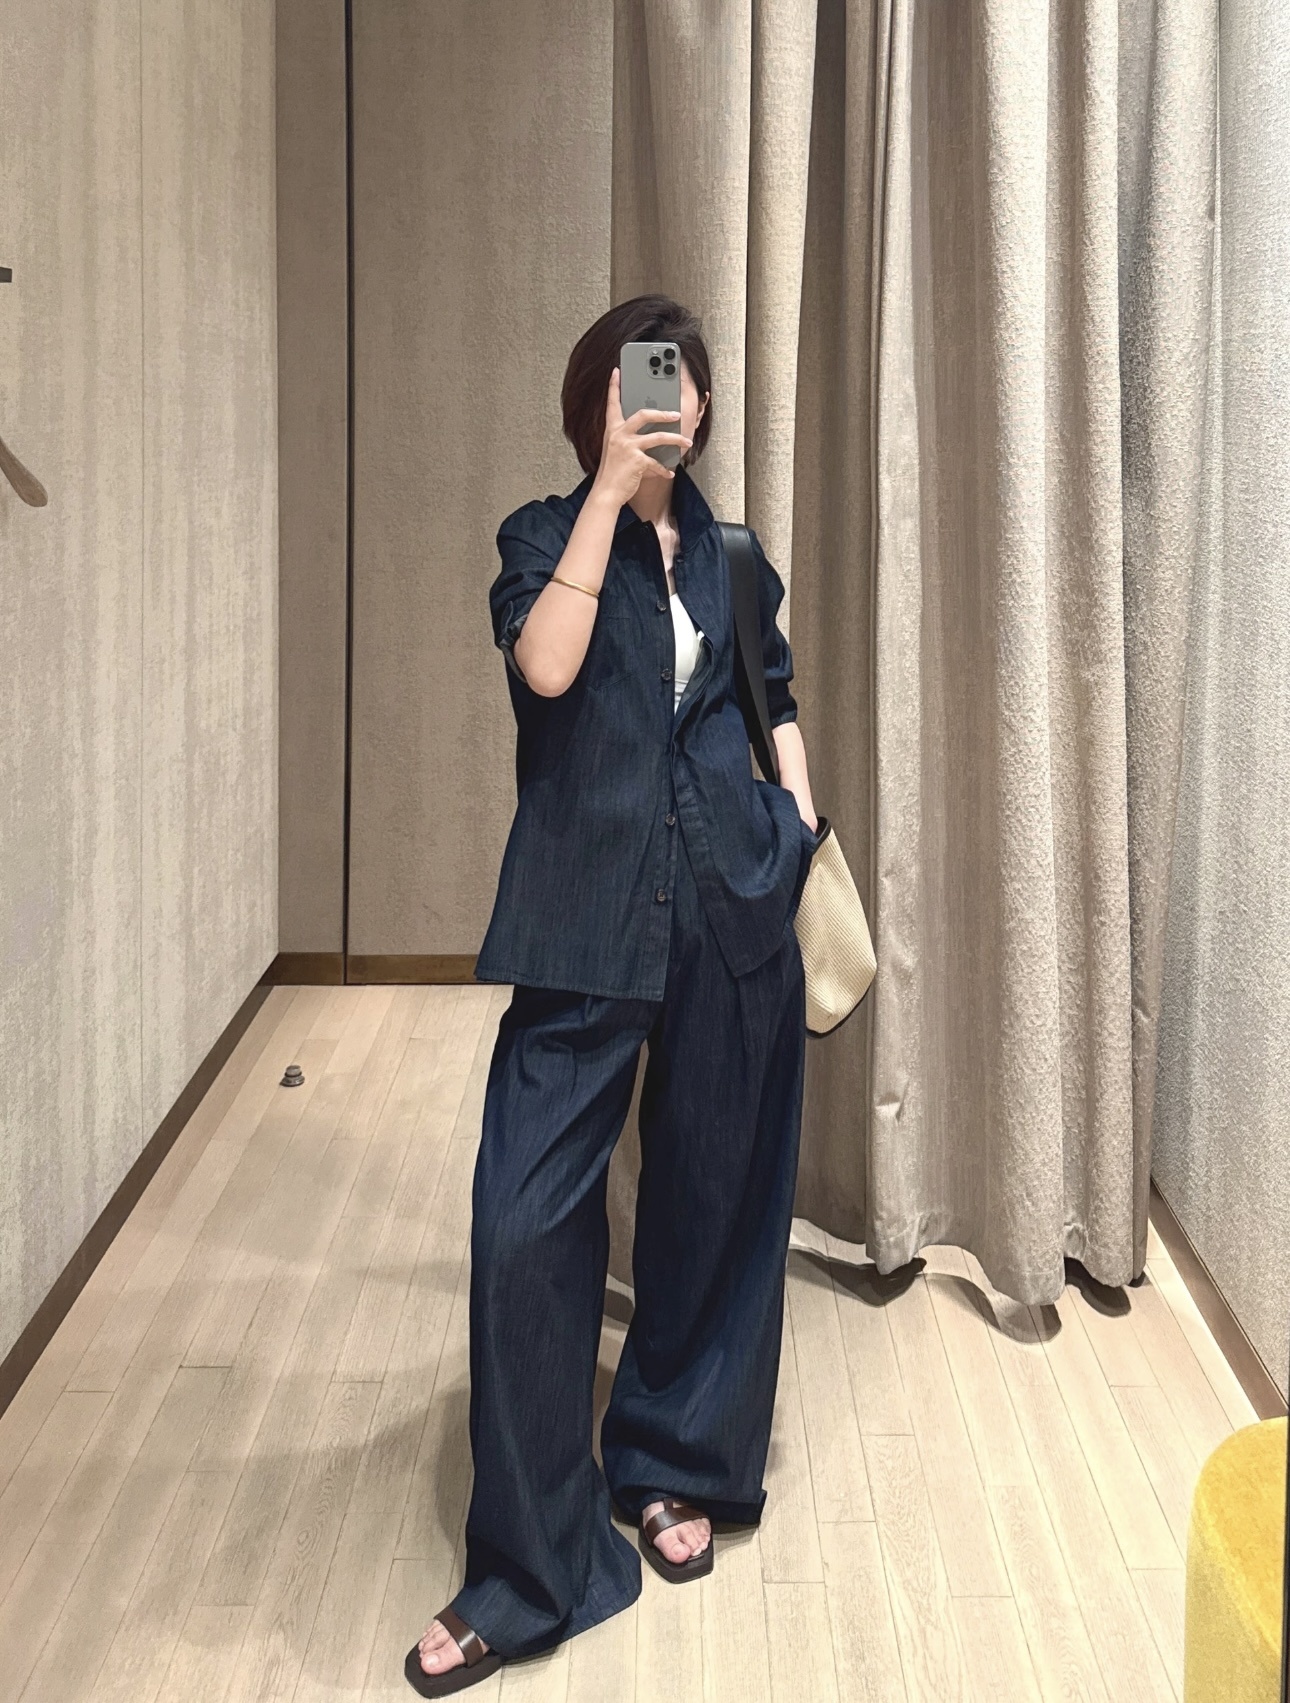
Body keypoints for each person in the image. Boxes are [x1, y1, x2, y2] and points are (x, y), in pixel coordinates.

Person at [406, 295, 822, 1696]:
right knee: (524, 1222)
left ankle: (671, 1461)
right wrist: (605, 493)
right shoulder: (541, 535)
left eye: (684, 382)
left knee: (713, 1194)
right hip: (585, 916)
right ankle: (533, 1572)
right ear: (598, 398)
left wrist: (797, 833)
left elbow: (771, 697)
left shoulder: (735, 558)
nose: (668, 400)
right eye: (643, 380)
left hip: (731, 910)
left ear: (703, 407)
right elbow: (547, 668)